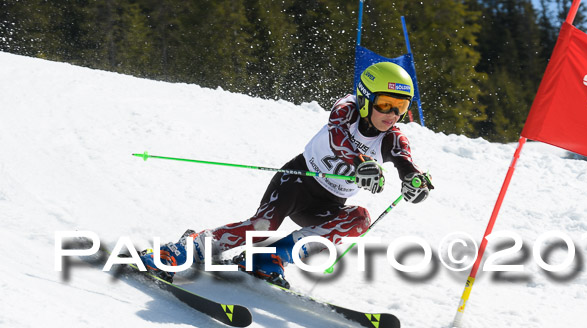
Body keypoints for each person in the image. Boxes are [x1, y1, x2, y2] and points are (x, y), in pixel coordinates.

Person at [140, 61, 433, 288]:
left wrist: (413, 180)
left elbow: (405, 163)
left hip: (328, 205)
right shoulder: (347, 108)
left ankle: (271, 256)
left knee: (359, 219)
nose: (392, 114)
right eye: (385, 104)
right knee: (263, 225)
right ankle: (184, 249)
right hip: (298, 181)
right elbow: (337, 138)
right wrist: (360, 163)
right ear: (366, 98)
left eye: (401, 107)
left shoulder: (393, 137)